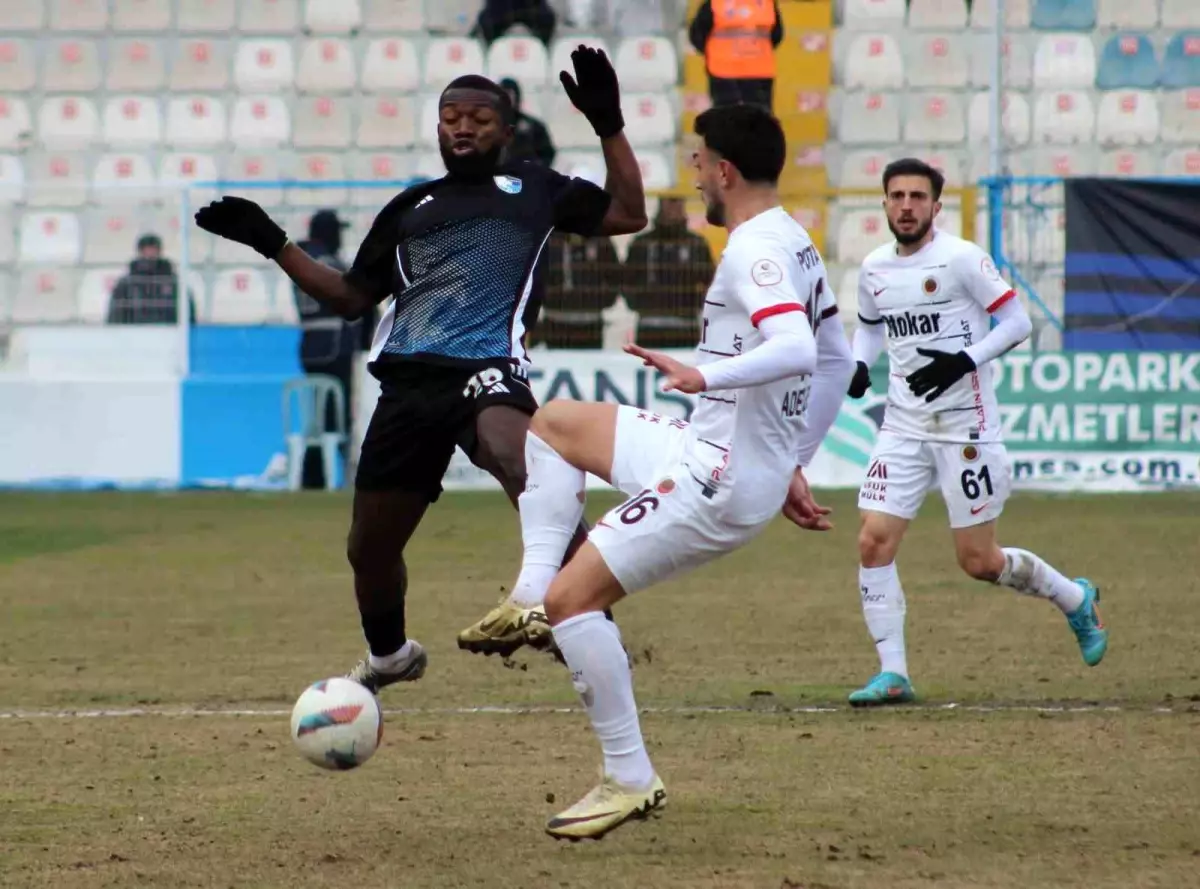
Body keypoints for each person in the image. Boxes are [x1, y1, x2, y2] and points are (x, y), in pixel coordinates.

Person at [194, 49, 647, 690]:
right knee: (369, 549)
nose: (463, 127)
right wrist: (274, 242)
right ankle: (390, 658)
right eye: (450, 117)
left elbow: (631, 214)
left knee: (522, 461)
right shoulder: (410, 208)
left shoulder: (537, 187)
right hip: (408, 384)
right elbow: (351, 298)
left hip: (488, 367)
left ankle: (583, 625)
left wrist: (609, 126)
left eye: (479, 118)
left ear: (507, 130)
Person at [462, 104, 856, 840]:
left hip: (719, 479)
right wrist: (795, 456)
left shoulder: (754, 251)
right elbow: (838, 358)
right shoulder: (795, 241)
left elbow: (800, 349)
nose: (696, 175)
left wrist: (709, 378)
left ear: (726, 170)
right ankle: (526, 594)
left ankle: (629, 778)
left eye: (701, 162)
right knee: (552, 424)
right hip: (713, 453)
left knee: (575, 600)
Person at [844, 158, 1109, 707]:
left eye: (918, 197)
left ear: (936, 207)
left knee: (979, 562)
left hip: (967, 426)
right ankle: (893, 673)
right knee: (872, 541)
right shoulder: (873, 269)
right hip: (903, 424)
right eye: (897, 196)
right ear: (885, 203)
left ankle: (1074, 598)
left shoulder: (963, 259)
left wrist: (963, 360)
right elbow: (871, 327)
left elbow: (1017, 323)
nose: (907, 205)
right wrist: (858, 363)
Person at [292, 210, 375, 489]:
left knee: (318, 418)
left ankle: (312, 477)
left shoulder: (300, 261)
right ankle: (332, 475)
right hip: (336, 347)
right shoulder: (330, 263)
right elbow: (360, 297)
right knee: (337, 417)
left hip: (309, 347)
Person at [622, 195, 715, 349]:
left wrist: (696, 304)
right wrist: (640, 304)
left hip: (687, 327)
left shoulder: (696, 244)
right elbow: (626, 280)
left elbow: (711, 281)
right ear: (661, 203)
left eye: (678, 200)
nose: (675, 206)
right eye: (670, 200)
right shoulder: (642, 244)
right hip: (649, 327)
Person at [688, 0, 784, 110]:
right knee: (759, 119)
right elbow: (777, 35)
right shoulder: (767, 3)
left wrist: (713, 53)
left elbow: (697, 35)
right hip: (758, 71)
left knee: (726, 118)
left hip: (723, 71)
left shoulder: (715, 3)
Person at [536, 229, 620, 348]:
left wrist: (599, 301)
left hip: (590, 322)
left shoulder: (600, 239)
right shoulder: (548, 239)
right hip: (555, 321)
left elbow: (615, 276)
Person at [107, 234, 194, 325]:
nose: (150, 253)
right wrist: (114, 332)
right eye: (147, 250)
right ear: (140, 251)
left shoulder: (172, 281)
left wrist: (190, 329)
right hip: (133, 332)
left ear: (159, 251)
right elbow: (116, 310)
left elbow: (187, 306)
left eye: (153, 249)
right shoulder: (127, 282)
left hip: (168, 331)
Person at [500, 78, 556, 168]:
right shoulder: (490, 126)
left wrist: (537, 169)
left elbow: (547, 154)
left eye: (509, 94)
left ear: (516, 97)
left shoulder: (533, 126)